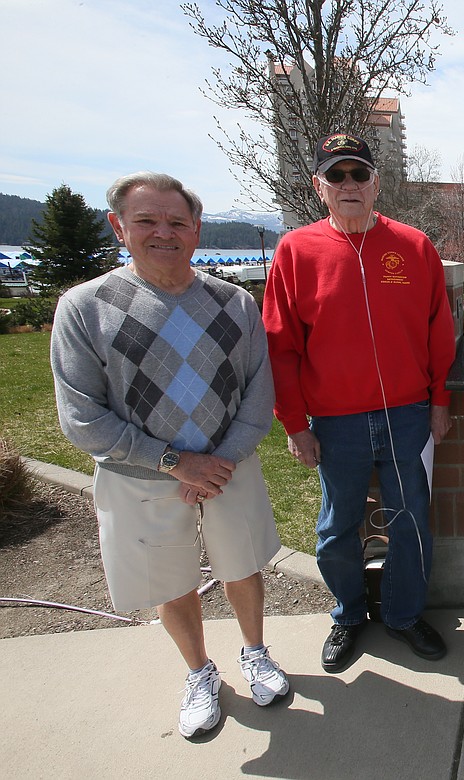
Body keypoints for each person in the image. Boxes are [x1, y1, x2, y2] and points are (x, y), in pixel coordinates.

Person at [50, 172, 288, 739]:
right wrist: (174, 462)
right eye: (147, 221)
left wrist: (220, 460)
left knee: (243, 563)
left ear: (196, 229)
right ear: (119, 227)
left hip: (229, 465)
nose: (164, 233)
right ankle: (199, 673)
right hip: (141, 475)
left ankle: (256, 651)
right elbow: (81, 417)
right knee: (170, 578)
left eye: (177, 222)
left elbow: (259, 391)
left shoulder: (233, 303)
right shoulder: (85, 307)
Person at [264, 133, 456, 672]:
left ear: (376, 183)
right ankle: (348, 615)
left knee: (411, 520)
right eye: (337, 175)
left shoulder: (415, 247)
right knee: (335, 528)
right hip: (335, 422)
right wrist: (294, 423)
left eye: (358, 174)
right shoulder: (296, 252)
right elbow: (280, 346)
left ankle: (402, 614)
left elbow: (440, 332)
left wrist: (439, 400)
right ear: (319, 186)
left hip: (407, 417)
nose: (349, 184)